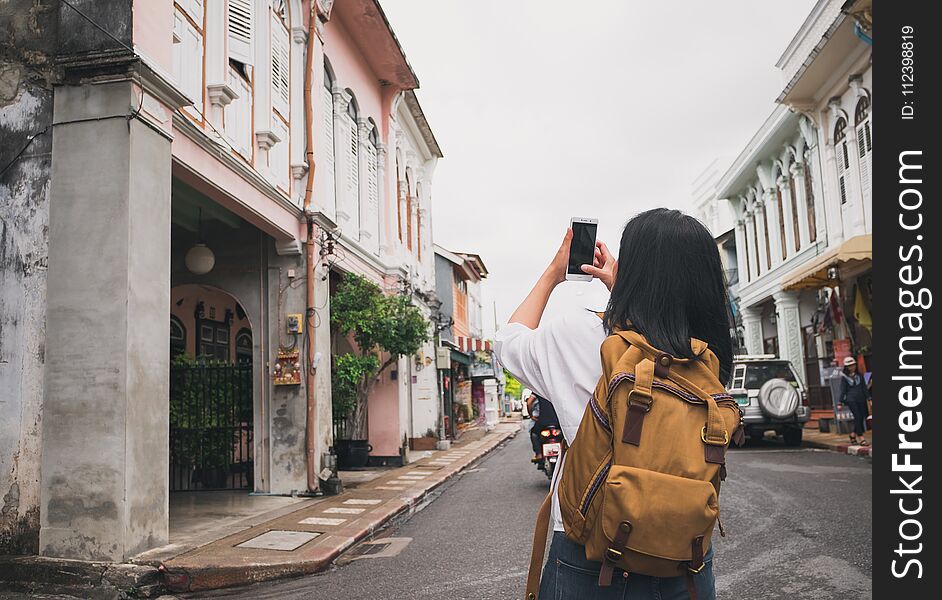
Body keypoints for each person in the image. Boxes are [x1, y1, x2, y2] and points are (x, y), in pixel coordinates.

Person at [496, 208, 732, 599]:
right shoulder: (710, 352)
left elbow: (508, 343)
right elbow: (656, 329)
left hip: (593, 551)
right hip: (685, 550)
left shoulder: (581, 334)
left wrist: (555, 272)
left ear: (634, 272)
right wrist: (624, 290)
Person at [839, 356, 870, 446]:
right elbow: (843, 390)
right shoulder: (845, 378)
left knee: (861, 417)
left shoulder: (859, 376)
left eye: (853, 365)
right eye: (849, 366)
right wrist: (840, 402)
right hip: (851, 399)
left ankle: (853, 434)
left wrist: (869, 398)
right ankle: (861, 438)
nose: (852, 367)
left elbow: (864, 388)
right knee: (857, 416)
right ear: (846, 367)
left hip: (861, 398)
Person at [528, 393, 561, 461]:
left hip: (543, 422)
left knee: (534, 434)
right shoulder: (557, 388)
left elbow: (529, 403)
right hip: (558, 421)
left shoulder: (537, 389)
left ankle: (539, 454)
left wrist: (531, 416)